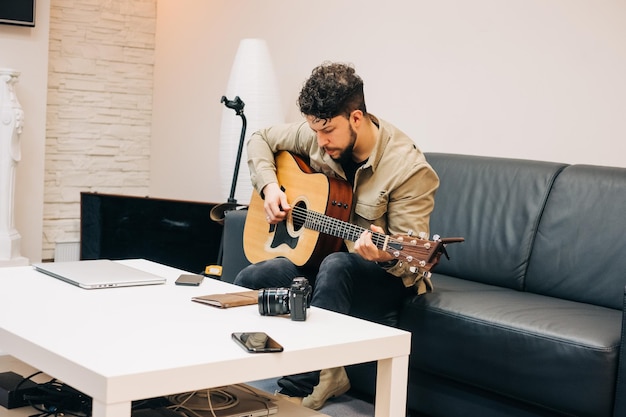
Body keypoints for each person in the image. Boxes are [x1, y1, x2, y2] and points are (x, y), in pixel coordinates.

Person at [234, 61, 439, 409]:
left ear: (356, 118)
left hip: (382, 276)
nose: (319, 141)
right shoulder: (318, 136)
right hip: (326, 262)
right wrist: (270, 187)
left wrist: (386, 254)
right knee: (254, 276)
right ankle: (230, 376)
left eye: (327, 130)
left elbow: (412, 267)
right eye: (314, 130)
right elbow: (260, 138)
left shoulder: (409, 169)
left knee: (337, 265)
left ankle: (299, 387)